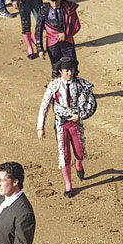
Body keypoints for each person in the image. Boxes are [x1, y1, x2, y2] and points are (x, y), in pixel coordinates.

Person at [37, 57, 92, 198]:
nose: (69, 72)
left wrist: (80, 116)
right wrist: (40, 127)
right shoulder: (54, 85)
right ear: (60, 71)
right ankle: (68, 184)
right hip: (61, 123)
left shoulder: (81, 85)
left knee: (79, 152)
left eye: (71, 69)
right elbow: (45, 106)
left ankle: (78, 164)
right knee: (64, 154)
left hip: (75, 123)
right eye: (66, 70)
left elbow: (91, 104)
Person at [36, 0, 81, 74]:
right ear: (49, 0)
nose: (55, 3)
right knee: (56, 68)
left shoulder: (69, 8)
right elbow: (38, 29)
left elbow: (76, 25)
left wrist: (66, 34)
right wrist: (40, 49)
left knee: (72, 68)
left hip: (67, 42)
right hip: (53, 44)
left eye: (57, 0)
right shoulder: (44, 10)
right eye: (52, 1)